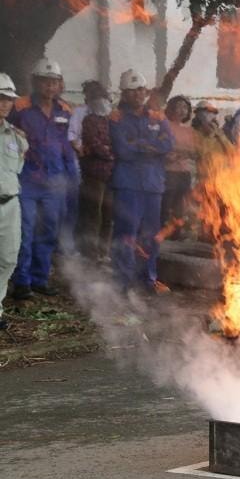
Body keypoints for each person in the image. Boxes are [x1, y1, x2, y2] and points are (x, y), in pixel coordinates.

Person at [10, 58, 78, 300]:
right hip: (27, 179)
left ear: (59, 84)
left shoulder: (65, 110)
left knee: (49, 231)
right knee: (25, 231)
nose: (50, 87)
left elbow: (66, 146)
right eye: (45, 81)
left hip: (55, 181)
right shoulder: (19, 107)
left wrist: (72, 176)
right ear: (35, 82)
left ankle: (40, 279)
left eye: (54, 82)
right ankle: (22, 281)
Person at [109, 69, 174, 294]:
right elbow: (122, 149)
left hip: (153, 184)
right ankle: (123, 281)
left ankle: (148, 278)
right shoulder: (116, 117)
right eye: (132, 91)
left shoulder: (157, 116)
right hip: (128, 184)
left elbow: (169, 144)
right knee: (127, 233)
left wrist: (141, 145)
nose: (138, 94)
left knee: (151, 234)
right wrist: (148, 146)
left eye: (141, 90)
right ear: (124, 94)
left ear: (146, 92)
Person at [0, 73, 28, 327]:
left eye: (9, 99)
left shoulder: (16, 137)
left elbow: (18, 166)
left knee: (8, 258)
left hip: (10, 204)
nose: (5, 104)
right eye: (1, 98)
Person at [76, 83, 116, 262]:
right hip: (93, 175)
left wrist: (112, 151)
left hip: (110, 175)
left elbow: (119, 144)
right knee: (93, 214)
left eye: (104, 97)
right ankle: (90, 252)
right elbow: (96, 146)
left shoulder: (111, 121)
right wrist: (112, 152)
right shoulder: (89, 121)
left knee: (108, 214)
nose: (102, 101)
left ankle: (104, 251)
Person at [161, 95, 198, 237]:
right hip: (169, 171)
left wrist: (186, 153)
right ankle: (163, 230)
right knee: (166, 203)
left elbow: (194, 150)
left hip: (185, 172)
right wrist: (177, 153)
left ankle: (176, 231)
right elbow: (164, 147)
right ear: (171, 108)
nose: (182, 110)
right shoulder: (166, 126)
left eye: (185, 107)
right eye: (179, 106)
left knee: (181, 205)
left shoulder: (189, 130)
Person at [192, 100, 233, 184]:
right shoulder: (194, 134)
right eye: (206, 112)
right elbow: (202, 153)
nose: (210, 115)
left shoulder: (219, 133)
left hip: (223, 178)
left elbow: (232, 152)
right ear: (198, 115)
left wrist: (220, 136)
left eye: (212, 112)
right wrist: (210, 135)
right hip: (205, 180)